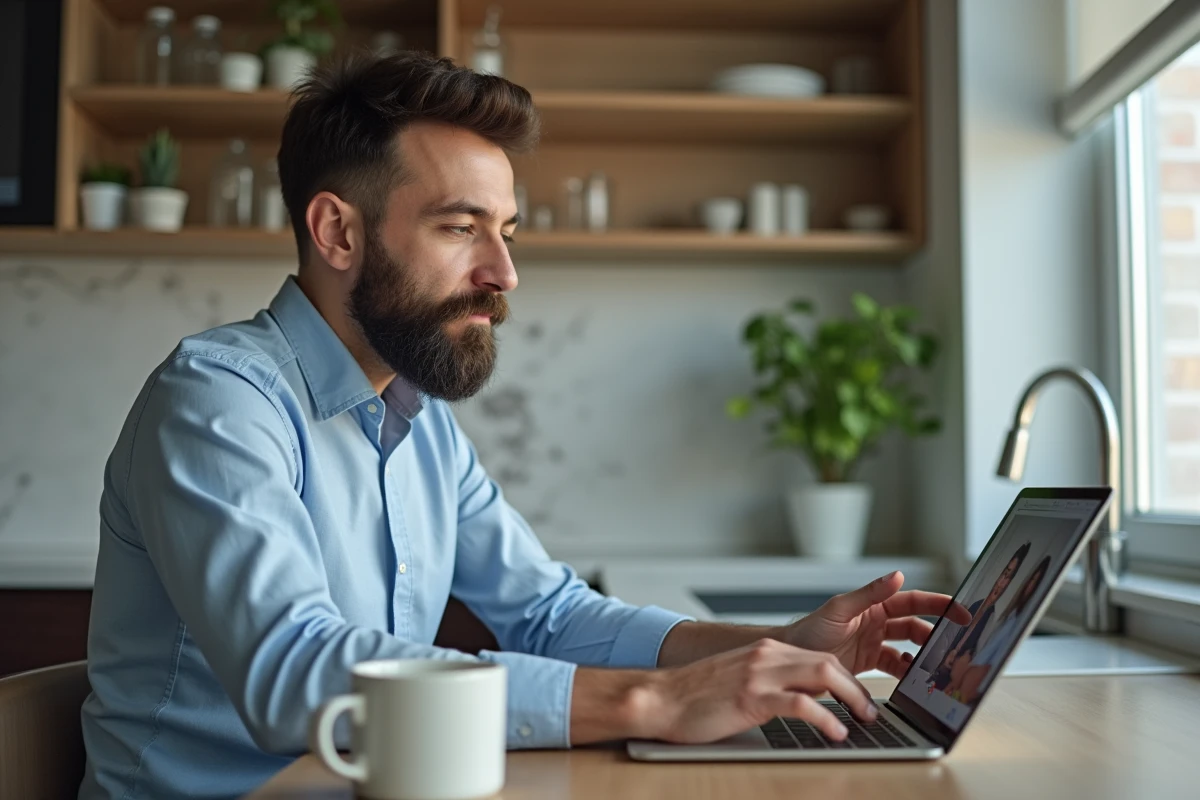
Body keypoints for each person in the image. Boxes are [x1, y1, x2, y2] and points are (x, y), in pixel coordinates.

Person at [77, 53, 969, 800]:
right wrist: (652, 704)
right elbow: (294, 672)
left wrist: (770, 648)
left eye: (505, 231)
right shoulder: (217, 403)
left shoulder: (416, 421)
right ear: (336, 232)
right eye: (461, 227)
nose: (503, 272)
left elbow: (547, 615)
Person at [922, 541, 1030, 686]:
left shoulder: (992, 619)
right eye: (1005, 574)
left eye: (1009, 578)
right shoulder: (974, 606)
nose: (1003, 582)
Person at [958, 555, 1054, 704]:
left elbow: (984, 671)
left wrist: (962, 675)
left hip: (969, 690)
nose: (1029, 586)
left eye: (1035, 583)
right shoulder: (1007, 616)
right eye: (1031, 580)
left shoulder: (1007, 621)